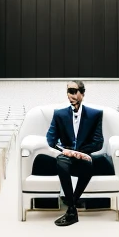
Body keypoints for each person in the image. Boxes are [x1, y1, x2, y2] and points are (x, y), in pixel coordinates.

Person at [46, 80, 104, 227]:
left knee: (89, 166)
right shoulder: (59, 114)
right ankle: (72, 210)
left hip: (84, 157)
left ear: (82, 94)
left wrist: (80, 152)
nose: (70, 95)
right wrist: (65, 151)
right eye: (68, 91)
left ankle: (71, 202)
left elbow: (98, 142)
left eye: (73, 91)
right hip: (66, 156)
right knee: (61, 162)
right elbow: (50, 139)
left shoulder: (95, 114)